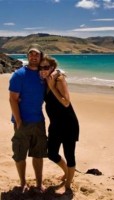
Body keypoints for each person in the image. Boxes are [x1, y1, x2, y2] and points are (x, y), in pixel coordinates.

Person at [9, 44, 47, 192]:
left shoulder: (43, 74)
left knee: (38, 154)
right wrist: (18, 121)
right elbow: (13, 99)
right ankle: (23, 183)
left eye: (36, 54)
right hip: (22, 122)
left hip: (39, 121)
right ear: (27, 56)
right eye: (31, 54)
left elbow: (55, 74)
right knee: (20, 154)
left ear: (40, 57)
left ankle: (38, 184)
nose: (33, 57)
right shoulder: (19, 75)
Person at [39, 55, 79, 192]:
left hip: (68, 124)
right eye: (41, 67)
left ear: (52, 68)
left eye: (46, 67)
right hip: (55, 124)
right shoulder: (45, 81)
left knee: (69, 154)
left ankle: (68, 184)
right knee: (51, 153)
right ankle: (67, 172)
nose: (43, 70)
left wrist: (52, 86)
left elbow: (66, 102)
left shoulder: (58, 80)